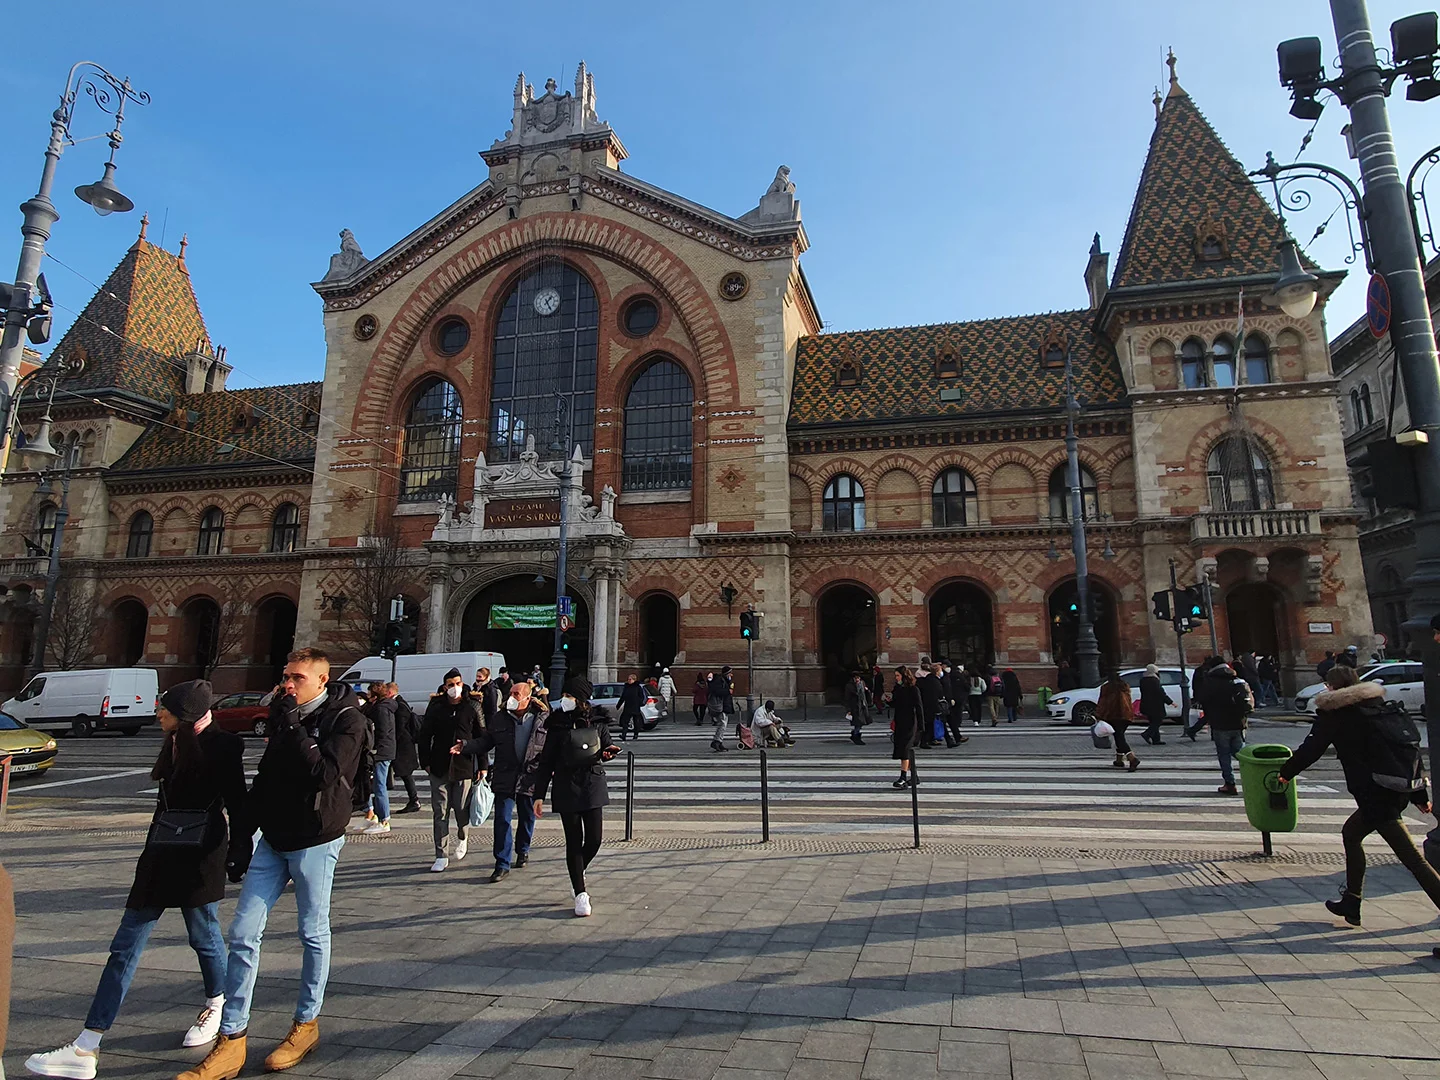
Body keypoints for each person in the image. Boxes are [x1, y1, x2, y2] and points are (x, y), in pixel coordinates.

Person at [26, 681, 247, 1080]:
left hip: (201, 855)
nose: (158, 713)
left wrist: (238, 856)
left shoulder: (224, 745)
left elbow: (238, 805)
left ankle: (217, 1003)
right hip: (161, 854)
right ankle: (87, 1044)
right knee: (125, 946)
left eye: (165, 708)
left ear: (186, 712)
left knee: (204, 935)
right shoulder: (173, 740)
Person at [179, 649, 365, 1079]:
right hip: (273, 838)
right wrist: (242, 838)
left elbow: (325, 773)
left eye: (297, 678)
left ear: (322, 680)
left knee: (312, 931)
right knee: (243, 933)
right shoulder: (286, 717)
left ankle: (305, 1023)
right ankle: (232, 1037)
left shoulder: (346, 719)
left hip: (315, 839)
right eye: (285, 676)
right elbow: (264, 780)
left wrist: (294, 726)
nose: (287, 684)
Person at [1277, 666, 1440, 930]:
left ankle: (1353, 901)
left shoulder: (1337, 713)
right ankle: (1352, 901)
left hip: (1375, 794)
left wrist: (1286, 773)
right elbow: (1408, 751)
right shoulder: (1381, 707)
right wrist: (1418, 794)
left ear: (1332, 687)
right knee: (1351, 834)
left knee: (1414, 860)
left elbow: (1312, 749)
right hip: (1396, 788)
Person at [528, 678, 620, 917]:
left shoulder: (598, 721)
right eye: (565, 694)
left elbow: (605, 747)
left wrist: (609, 753)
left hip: (592, 782)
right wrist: (539, 795)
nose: (564, 699)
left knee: (595, 840)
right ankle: (580, 893)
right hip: (566, 785)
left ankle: (577, 872)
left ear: (580, 699)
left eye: (569, 695)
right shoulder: (557, 724)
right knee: (573, 840)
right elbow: (546, 761)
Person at [452, 677, 549, 883]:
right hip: (505, 773)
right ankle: (502, 863)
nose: (511, 698)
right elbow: (488, 741)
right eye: (510, 694)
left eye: (516, 694)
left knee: (527, 816)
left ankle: (523, 849)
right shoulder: (500, 718)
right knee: (502, 819)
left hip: (529, 775)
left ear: (528, 698)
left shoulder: (542, 718)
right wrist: (466, 746)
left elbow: (551, 746)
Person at [416, 668, 486, 872]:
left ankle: (463, 837)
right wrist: (425, 761)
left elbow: (481, 737)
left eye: (458, 683)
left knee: (461, 808)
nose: (454, 688)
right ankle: (441, 853)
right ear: (444, 687)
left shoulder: (472, 706)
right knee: (440, 811)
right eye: (450, 684)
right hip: (439, 765)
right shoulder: (436, 707)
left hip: (464, 766)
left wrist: (482, 765)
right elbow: (424, 735)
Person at [1195, 657, 1253, 795]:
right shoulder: (1236, 679)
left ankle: (1230, 784)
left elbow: (1202, 699)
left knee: (1224, 755)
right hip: (1239, 723)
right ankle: (1253, 776)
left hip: (1220, 724)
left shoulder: (1210, 682)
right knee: (1240, 753)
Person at [361, 682, 396, 834]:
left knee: (379, 785)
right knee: (372, 783)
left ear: (374, 696)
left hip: (381, 751)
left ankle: (384, 820)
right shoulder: (380, 707)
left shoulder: (381, 709)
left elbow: (383, 731)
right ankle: (373, 814)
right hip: (382, 750)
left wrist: (376, 749)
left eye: (369, 695)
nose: (367, 698)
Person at [388, 684, 422, 814]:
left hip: (403, 745)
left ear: (390, 692)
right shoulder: (400, 703)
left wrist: (393, 739)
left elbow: (400, 726)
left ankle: (414, 800)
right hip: (403, 745)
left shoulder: (400, 705)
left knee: (406, 774)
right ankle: (413, 800)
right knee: (405, 774)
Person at [1096, 671, 1139, 771]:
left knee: (1120, 738)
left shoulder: (1107, 688)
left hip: (1113, 715)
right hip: (1126, 715)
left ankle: (1132, 759)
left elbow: (1103, 702)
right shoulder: (1124, 686)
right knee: (1119, 736)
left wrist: (1098, 714)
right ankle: (1119, 760)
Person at [890, 666, 923, 789]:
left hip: (910, 723)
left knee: (905, 750)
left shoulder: (913, 689)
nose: (896, 678)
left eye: (898, 675)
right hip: (900, 723)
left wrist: (921, 726)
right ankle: (915, 777)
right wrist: (889, 701)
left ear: (904, 676)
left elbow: (919, 707)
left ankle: (903, 777)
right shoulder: (898, 689)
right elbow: (896, 703)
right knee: (902, 750)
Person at [1138, 664, 1173, 746]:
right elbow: (1160, 693)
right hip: (1156, 705)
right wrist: (1170, 701)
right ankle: (1147, 734)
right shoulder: (1154, 680)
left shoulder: (1143, 680)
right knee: (1158, 721)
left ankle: (1156, 740)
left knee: (1153, 721)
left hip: (1146, 704)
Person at [915, 659, 942, 748]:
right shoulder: (932, 680)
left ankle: (928, 740)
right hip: (930, 704)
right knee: (928, 723)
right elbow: (937, 692)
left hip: (925, 704)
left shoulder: (926, 679)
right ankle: (924, 741)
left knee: (928, 723)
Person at [707, 667, 735, 752]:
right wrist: (728, 691)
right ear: (726, 674)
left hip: (724, 706)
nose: (731, 675)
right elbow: (717, 691)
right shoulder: (720, 680)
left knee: (723, 724)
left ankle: (719, 741)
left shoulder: (724, 681)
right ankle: (716, 741)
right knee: (722, 724)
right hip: (720, 706)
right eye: (730, 673)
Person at [844, 670, 872, 746]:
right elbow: (847, 698)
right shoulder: (849, 686)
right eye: (856, 678)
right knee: (858, 722)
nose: (857, 679)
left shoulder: (862, 683)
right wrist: (848, 710)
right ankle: (856, 736)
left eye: (858, 678)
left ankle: (855, 734)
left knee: (861, 722)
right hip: (855, 707)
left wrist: (867, 691)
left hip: (862, 705)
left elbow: (865, 694)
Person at [617, 673, 647, 742]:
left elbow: (641, 696)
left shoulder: (638, 687)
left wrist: (639, 703)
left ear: (634, 680)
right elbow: (623, 697)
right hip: (627, 707)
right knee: (625, 722)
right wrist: (619, 704)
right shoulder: (626, 687)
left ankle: (635, 734)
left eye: (630, 679)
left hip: (635, 707)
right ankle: (623, 735)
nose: (629, 681)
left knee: (636, 722)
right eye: (628, 679)